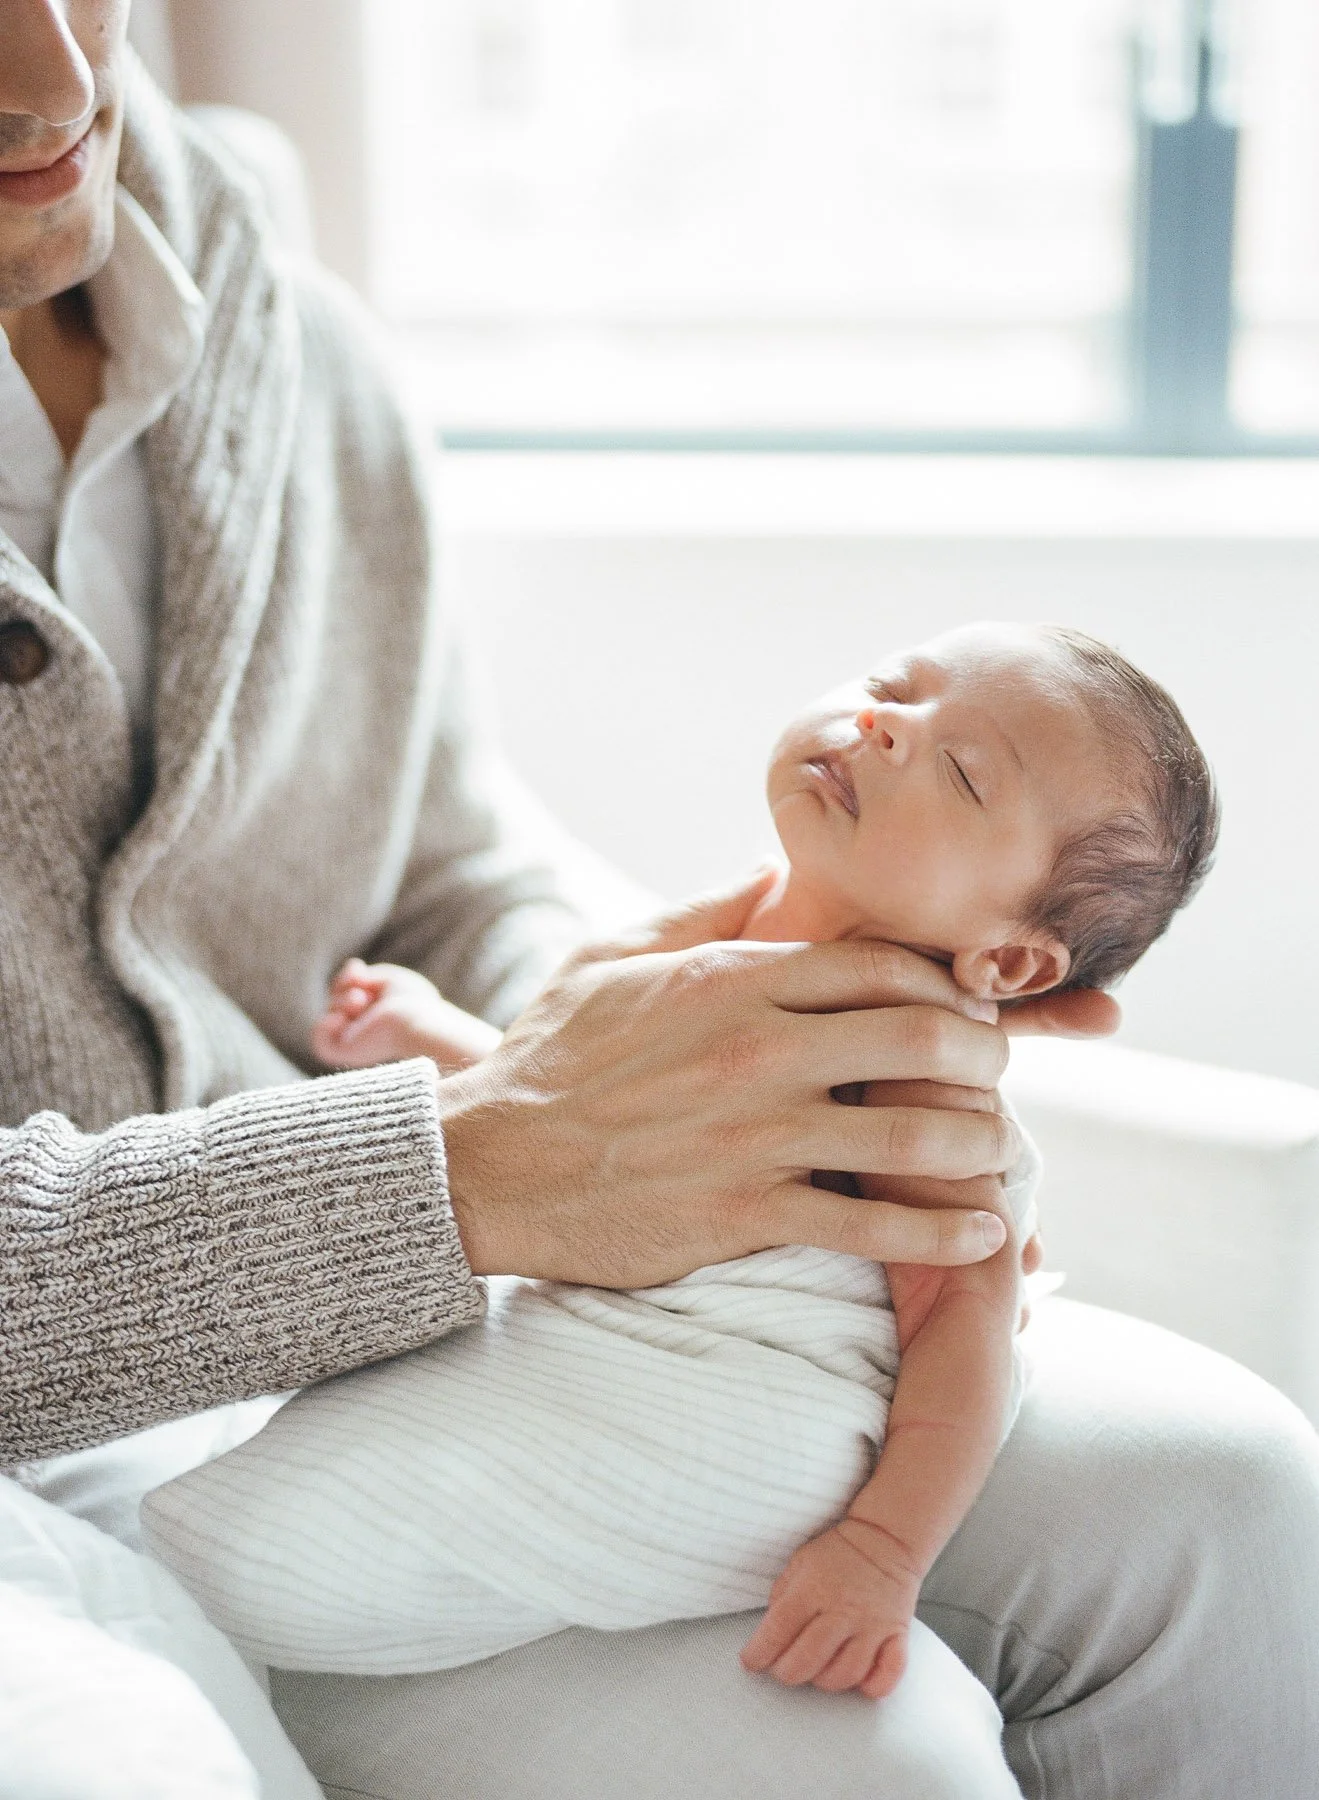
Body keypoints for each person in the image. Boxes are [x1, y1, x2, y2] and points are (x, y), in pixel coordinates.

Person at [0, 6, 1316, 1798]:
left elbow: (442, 856)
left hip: (547, 1311)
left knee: (1225, 1485)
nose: (60, 85)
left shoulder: (265, 310)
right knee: (884, 1764)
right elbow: (488, 1145)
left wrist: (700, 1052)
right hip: (98, 1399)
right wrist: (470, 1156)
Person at [143, 621, 1219, 1705]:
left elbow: (961, 1320)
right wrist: (429, 1035)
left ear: (1002, 958)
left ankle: (318, 1604)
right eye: (893, 683)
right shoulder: (736, 925)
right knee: (296, 1477)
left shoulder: (902, 1057)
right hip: (596, 1319)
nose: (885, 723)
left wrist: (884, 1549)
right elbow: (565, 1118)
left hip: (745, 1398)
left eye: (960, 769)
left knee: (275, 1540)